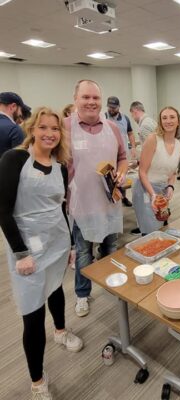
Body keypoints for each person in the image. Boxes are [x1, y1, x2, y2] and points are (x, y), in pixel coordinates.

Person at [0, 107, 83, 400]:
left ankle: (61, 331)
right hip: (27, 248)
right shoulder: (14, 159)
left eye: (55, 129)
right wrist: (21, 252)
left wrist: (71, 245)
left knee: (57, 290)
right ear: (32, 129)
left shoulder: (60, 165)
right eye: (44, 127)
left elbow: (61, 208)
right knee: (32, 312)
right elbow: (3, 210)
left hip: (57, 242)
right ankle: (37, 380)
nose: (49, 133)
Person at [65, 79, 128, 317]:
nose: (91, 102)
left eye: (95, 98)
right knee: (83, 252)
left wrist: (122, 171)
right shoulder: (65, 127)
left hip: (109, 202)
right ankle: (82, 294)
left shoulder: (112, 127)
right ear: (76, 99)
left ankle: (111, 283)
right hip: (82, 204)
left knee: (110, 246)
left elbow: (123, 157)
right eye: (86, 97)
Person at [132, 106, 180, 235]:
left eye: (172, 117)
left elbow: (173, 172)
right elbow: (142, 172)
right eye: (164, 118)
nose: (168, 121)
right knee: (150, 231)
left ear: (178, 121)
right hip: (145, 189)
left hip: (162, 191)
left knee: (160, 227)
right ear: (160, 122)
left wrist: (171, 186)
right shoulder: (153, 139)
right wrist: (152, 194)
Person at [105, 96, 136, 207]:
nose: (112, 109)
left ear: (119, 107)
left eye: (114, 107)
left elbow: (130, 133)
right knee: (110, 177)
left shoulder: (125, 118)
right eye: (110, 107)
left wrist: (133, 147)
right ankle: (111, 198)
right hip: (108, 154)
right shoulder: (103, 117)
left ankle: (123, 197)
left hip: (122, 154)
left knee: (122, 177)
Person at [0, 91, 28, 157]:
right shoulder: (14, 130)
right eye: (21, 110)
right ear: (13, 107)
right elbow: (20, 161)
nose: (20, 115)